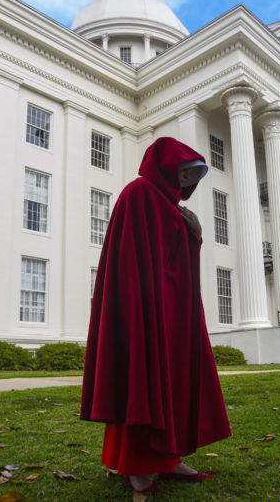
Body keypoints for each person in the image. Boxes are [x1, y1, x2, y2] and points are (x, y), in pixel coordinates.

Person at [80, 137, 231, 495]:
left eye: (189, 175)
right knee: (143, 381)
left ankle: (170, 457)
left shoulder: (172, 207)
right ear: (163, 167)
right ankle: (136, 465)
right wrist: (141, 311)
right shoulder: (139, 193)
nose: (183, 181)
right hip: (146, 309)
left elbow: (175, 260)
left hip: (174, 310)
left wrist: (195, 236)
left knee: (174, 380)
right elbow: (133, 261)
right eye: (180, 172)